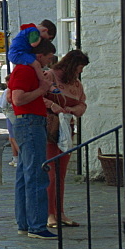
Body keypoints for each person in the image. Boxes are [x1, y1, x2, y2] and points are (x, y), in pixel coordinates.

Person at [10, 39, 60, 239]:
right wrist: (42, 89)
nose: (49, 62)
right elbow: (18, 98)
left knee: (24, 175)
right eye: (48, 58)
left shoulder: (25, 70)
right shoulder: (25, 71)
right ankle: (37, 225)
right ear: (40, 56)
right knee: (37, 174)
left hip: (27, 123)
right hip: (30, 123)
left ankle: (25, 222)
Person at [44, 50, 89, 229]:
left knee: (61, 174)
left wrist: (74, 110)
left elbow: (82, 103)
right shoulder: (50, 76)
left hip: (66, 129)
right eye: (79, 68)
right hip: (49, 129)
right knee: (51, 173)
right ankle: (49, 213)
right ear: (72, 65)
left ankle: (60, 212)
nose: (80, 72)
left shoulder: (77, 85)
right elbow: (39, 96)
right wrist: (53, 106)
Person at [9, 20, 58, 91]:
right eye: (46, 38)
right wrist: (39, 39)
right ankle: (44, 82)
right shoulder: (34, 31)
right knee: (36, 64)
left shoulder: (30, 29)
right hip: (18, 53)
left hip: (19, 53)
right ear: (45, 30)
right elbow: (34, 44)